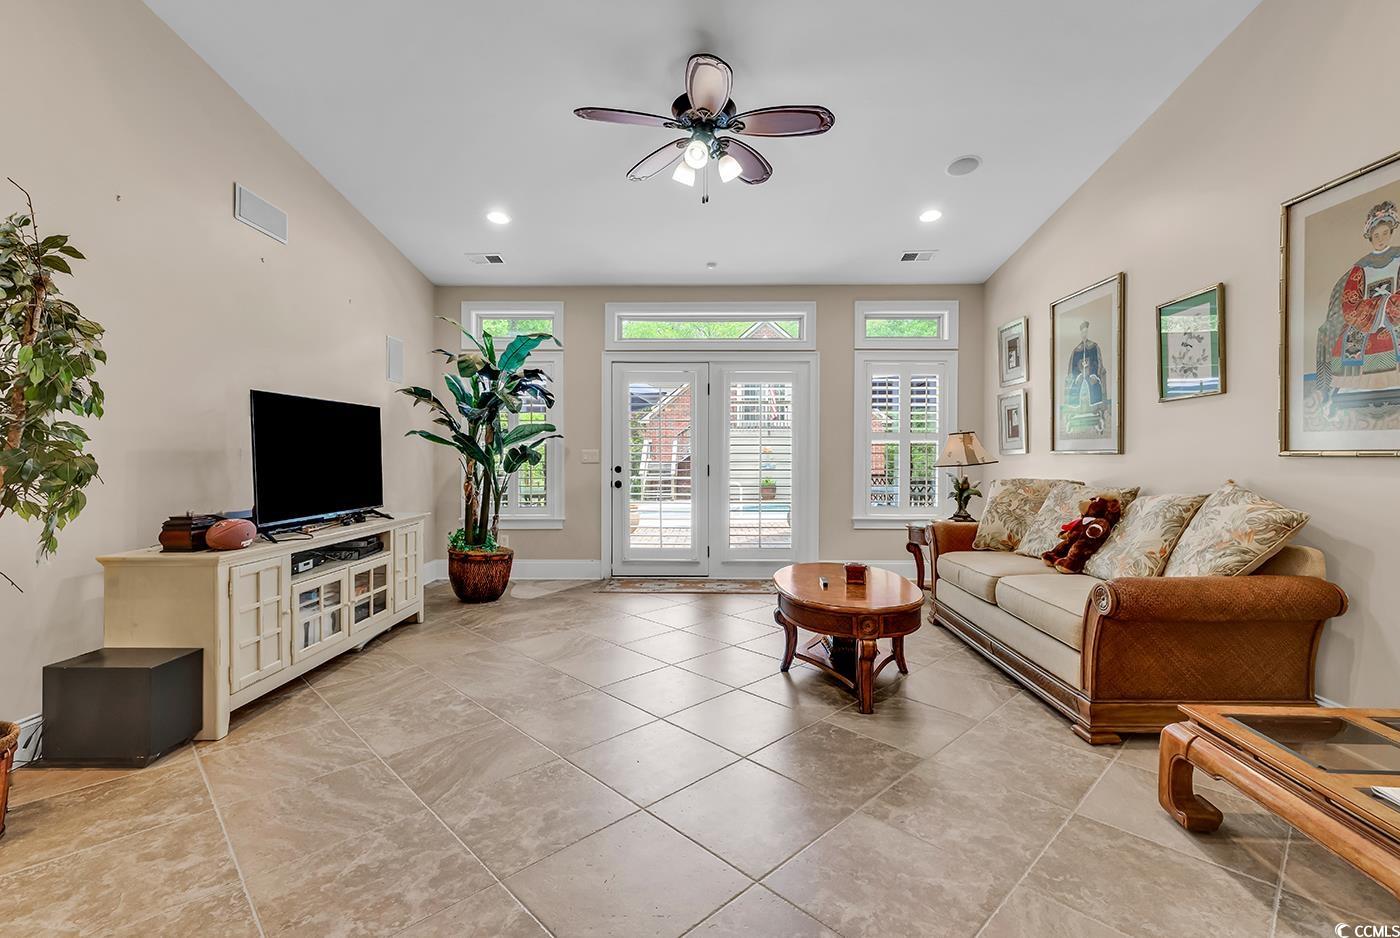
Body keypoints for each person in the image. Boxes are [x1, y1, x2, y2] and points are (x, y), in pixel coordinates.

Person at [1316, 200, 1400, 402]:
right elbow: (1350, 300)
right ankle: (1352, 389)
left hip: (1395, 312)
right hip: (1365, 317)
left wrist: (1388, 306)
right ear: (1370, 236)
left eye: (1385, 233)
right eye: (1376, 235)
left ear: (1391, 232)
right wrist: (1374, 309)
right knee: (1350, 338)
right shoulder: (1360, 267)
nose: (1380, 239)